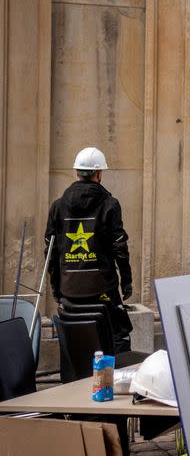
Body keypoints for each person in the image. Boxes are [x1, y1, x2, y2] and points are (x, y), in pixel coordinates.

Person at [46, 147, 134, 353]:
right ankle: (114, 379)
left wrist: (56, 288)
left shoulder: (58, 207)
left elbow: (50, 251)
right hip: (103, 289)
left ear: (77, 172)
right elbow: (120, 247)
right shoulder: (110, 205)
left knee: (77, 340)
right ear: (99, 174)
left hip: (70, 291)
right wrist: (126, 282)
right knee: (119, 337)